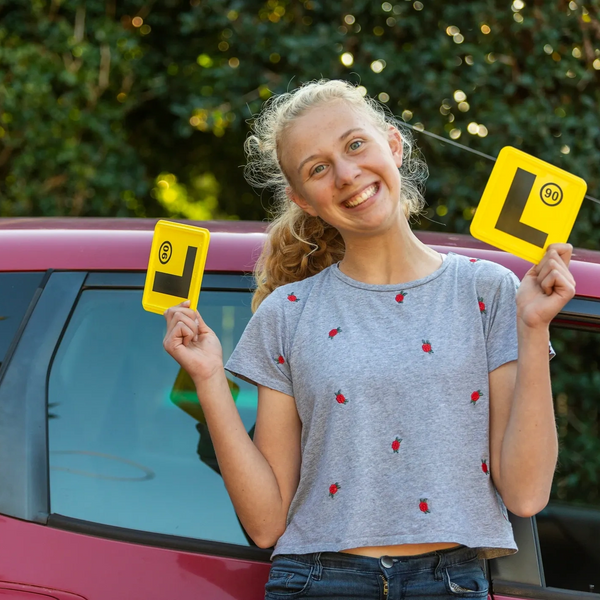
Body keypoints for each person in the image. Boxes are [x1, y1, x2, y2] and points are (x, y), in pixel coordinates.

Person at [163, 79, 575, 599]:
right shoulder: (287, 314)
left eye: (355, 145)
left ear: (394, 145)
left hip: (449, 582)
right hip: (316, 581)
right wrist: (208, 379)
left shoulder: (489, 291)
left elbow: (526, 493)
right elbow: (266, 525)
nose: (346, 174)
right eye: (317, 168)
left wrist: (533, 329)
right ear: (302, 200)